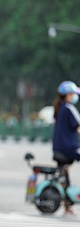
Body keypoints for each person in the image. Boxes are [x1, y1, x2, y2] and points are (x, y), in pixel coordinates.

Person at [52, 80, 80, 215]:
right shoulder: (69, 108)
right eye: (74, 93)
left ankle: (67, 207)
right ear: (68, 94)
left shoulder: (60, 108)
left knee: (64, 174)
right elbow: (78, 126)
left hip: (59, 147)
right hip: (70, 147)